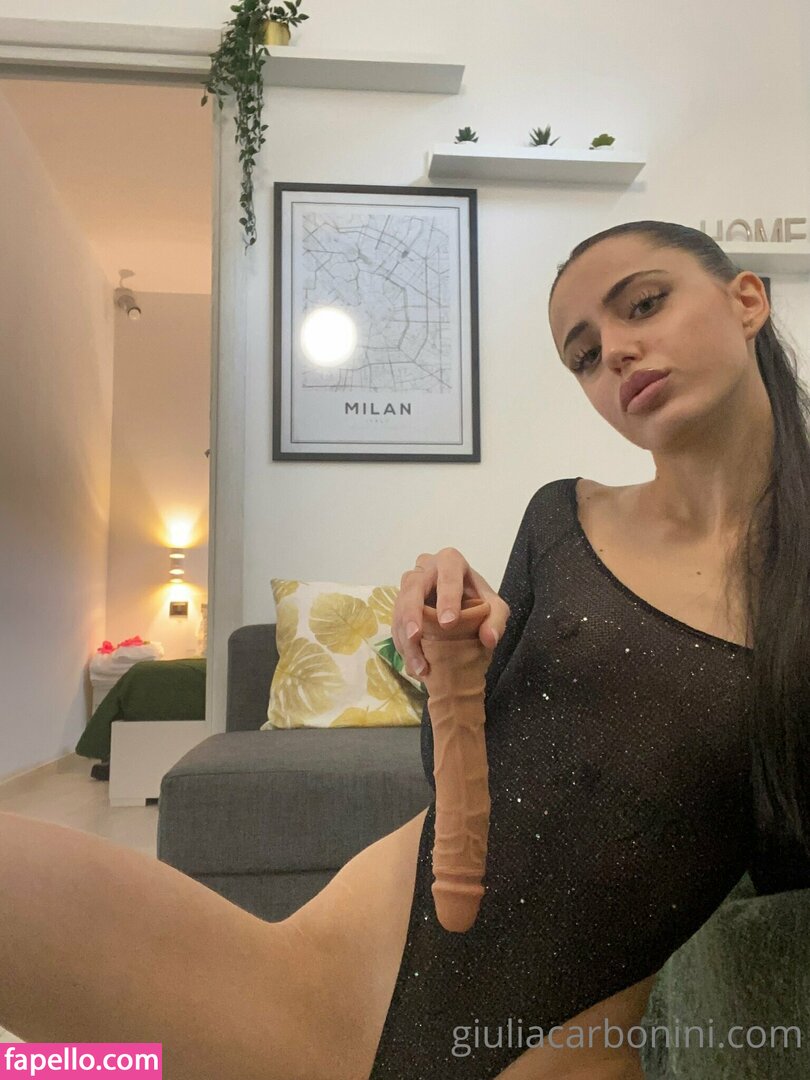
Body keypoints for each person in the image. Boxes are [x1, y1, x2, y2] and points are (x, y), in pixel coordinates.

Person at [1, 220, 808, 1080]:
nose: (614, 351)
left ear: (746, 300)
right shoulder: (563, 519)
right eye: (581, 354)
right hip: (335, 979)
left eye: (643, 304)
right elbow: (457, 771)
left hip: (547, 1049)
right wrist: (453, 659)